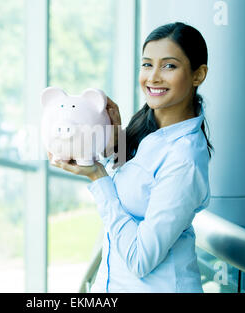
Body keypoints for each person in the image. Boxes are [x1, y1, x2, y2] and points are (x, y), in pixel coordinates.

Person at [48, 22, 213, 292]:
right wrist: (116, 140)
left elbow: (141, 259)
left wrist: (97, 176)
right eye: (147, 64)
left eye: (169, 66)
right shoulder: (151, 126)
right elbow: (138, 181)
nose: (153, 77)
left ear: (198, 75)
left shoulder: (185, 160)